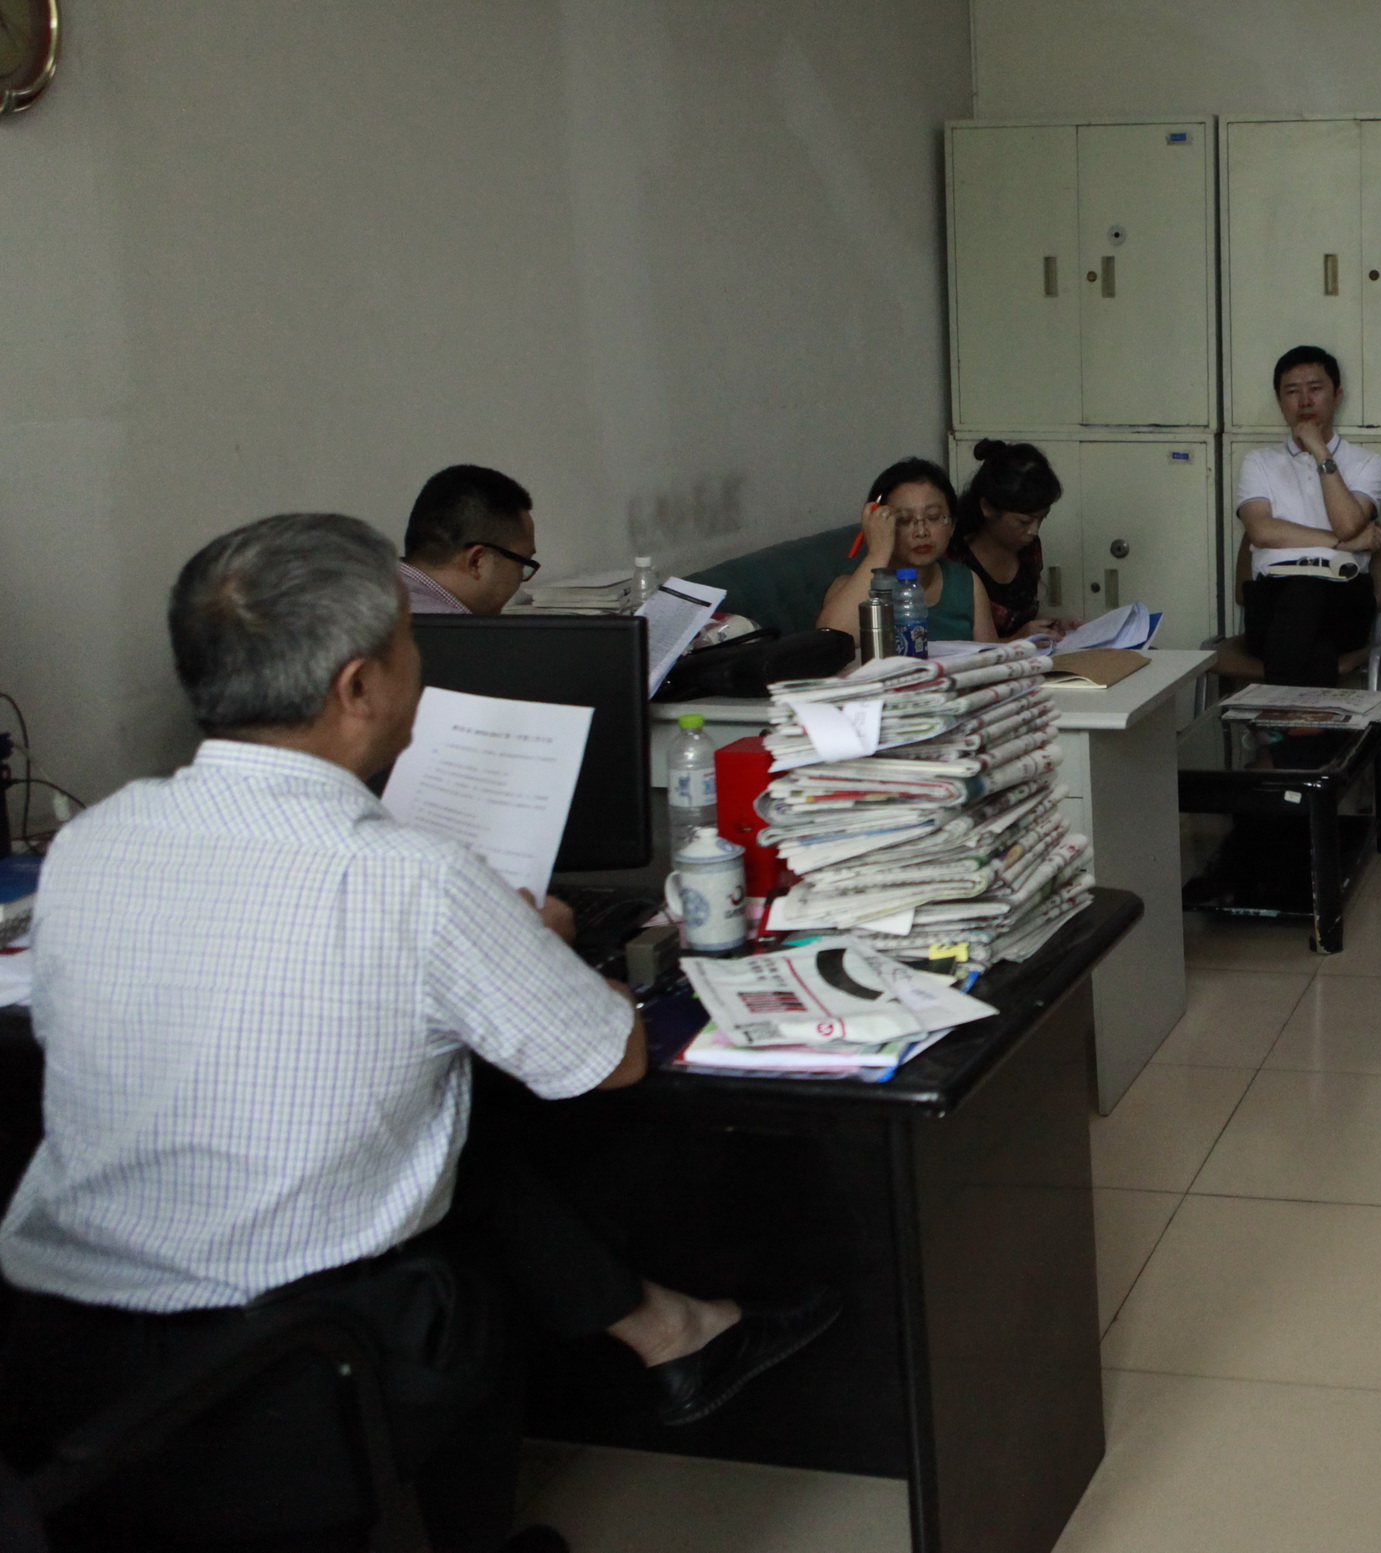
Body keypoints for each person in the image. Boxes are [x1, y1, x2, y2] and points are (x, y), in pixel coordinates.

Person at [0, 516, 834, 1552]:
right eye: (409, 641)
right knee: (466, 1216)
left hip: (61, 1355)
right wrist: (535, 942)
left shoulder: (89, 842)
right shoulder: (413, 879)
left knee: (441, 1115)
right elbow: (611, 1059)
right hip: (290, 1367)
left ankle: (671, 1332)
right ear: (359, 686)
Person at [1234, 345, 1381, 686]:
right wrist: (1341, 544)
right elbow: (1261, 531)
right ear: (1280, 401)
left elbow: (1348, 523)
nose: (1305, 401)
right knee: (1310, 638)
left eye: (1315, 389)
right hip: (1272, 599)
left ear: (1337, 396)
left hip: (1343, 601)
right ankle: (1308, 719)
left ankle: (1278, 714)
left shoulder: (1368, 463)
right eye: (1292, 392)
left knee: (1305, 600)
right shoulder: (1257, 462)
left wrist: (1319, 449)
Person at [816, 457, 997, 646]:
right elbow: (832, 641)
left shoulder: (966, 582)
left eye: (933, 517)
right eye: (903, 520)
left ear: (952, 525)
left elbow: (994, 656)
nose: (921, 532)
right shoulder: (851, 584)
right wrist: (877, 553)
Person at [951, 439, 1072, 640]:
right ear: (988, 508)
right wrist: (1016, 640)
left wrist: (1056, 626)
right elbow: (957, 647)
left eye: (1042, 518)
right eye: (1024, 522)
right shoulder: (954, 561)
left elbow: (1022, 619)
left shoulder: (1029, 549)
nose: (1033, 531)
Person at [399, 463, 541, 615]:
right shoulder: (451, 627)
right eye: (522, 564)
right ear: (476, 561)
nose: (521, 578)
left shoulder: (385, 595)